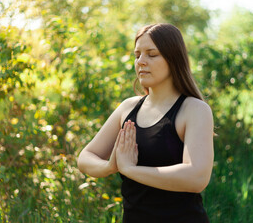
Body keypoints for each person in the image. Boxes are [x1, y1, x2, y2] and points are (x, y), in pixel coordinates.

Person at [77, 23, 214, 222]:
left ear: (173, 58)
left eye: (151, 54)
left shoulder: (194, 109)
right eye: (137, 55)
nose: (141, 61)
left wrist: (131, 170)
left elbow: (197, 178)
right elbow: (85, 158)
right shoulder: (128, 108)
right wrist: (110, 166)